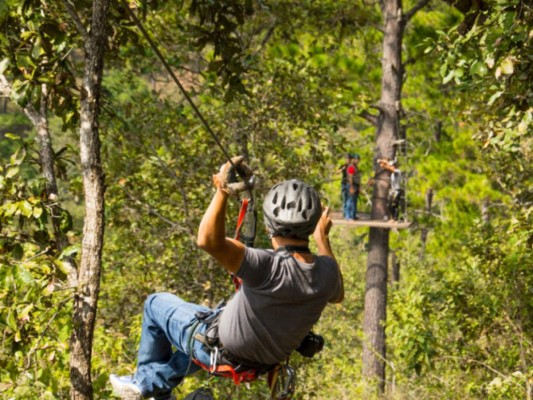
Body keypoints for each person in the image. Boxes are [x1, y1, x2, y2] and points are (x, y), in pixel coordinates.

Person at [110, 156, 344, 400]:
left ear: (268, 226)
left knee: (155, 303)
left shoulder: (266, 265)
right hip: (258, 361)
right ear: (314, 224)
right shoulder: (326, 273)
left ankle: (143, 383)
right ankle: (155, 383)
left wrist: (221, 190)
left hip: (218, 349)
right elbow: (337, 293)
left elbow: (208, 241)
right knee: (206, 317)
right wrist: (323, 240)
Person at [345, 154, 361, 220]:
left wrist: (359, 187)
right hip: (352, 185)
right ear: (353, 160)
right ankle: (348, 216)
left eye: (358, 160)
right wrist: (351, 187)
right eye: (356, 159)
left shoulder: (356, 167)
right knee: (350, 201)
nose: (357, 161)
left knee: (354, 201)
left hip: (356, 185)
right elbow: (350, 177)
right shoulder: (351, 167)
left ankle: (353, 215)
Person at [338, 153, 352, 219]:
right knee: (344, 199)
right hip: (343, 183)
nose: (347, 160)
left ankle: (348, 215)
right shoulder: (343, 166)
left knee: (349, 200)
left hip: (349, 184)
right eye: (346, 159)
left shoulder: (351, 166)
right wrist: (342, 169)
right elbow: (337, 172)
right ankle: (344, 214)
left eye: (348, 159)